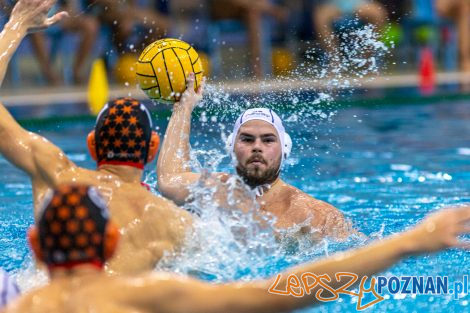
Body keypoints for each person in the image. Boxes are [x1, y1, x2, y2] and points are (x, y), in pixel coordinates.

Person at [4, 183, 470, 312]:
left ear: (35, 247)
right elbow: (274, 293)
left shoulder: (14, 297)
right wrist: (411, 242)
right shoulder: (147, 294)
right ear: (109, 243)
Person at [0, 0, 193, 275]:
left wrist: (16, 26)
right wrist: (183, 108)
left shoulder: (55, 173)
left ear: (92, 145)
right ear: (152, 150)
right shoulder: (175, 222)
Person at [157, 76, 351, 239]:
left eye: (268, 140)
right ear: (231, 148)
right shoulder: (214, 189)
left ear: (284, 149)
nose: (257, 147)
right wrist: (183, 107)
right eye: (247, 140)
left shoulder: (313, 215)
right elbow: (169, 179)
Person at [313, 0, 387, 56]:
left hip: (360, 3)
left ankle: (368, 55)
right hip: (334, 4)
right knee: (320, 17)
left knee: (378, 14)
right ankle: (333, 57)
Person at [435, 0, 470, 72]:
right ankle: (465, 60)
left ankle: (465, 60)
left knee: (464, 9)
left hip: (460, 10)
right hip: (441, 7)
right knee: (464, 8)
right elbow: (440, 6)